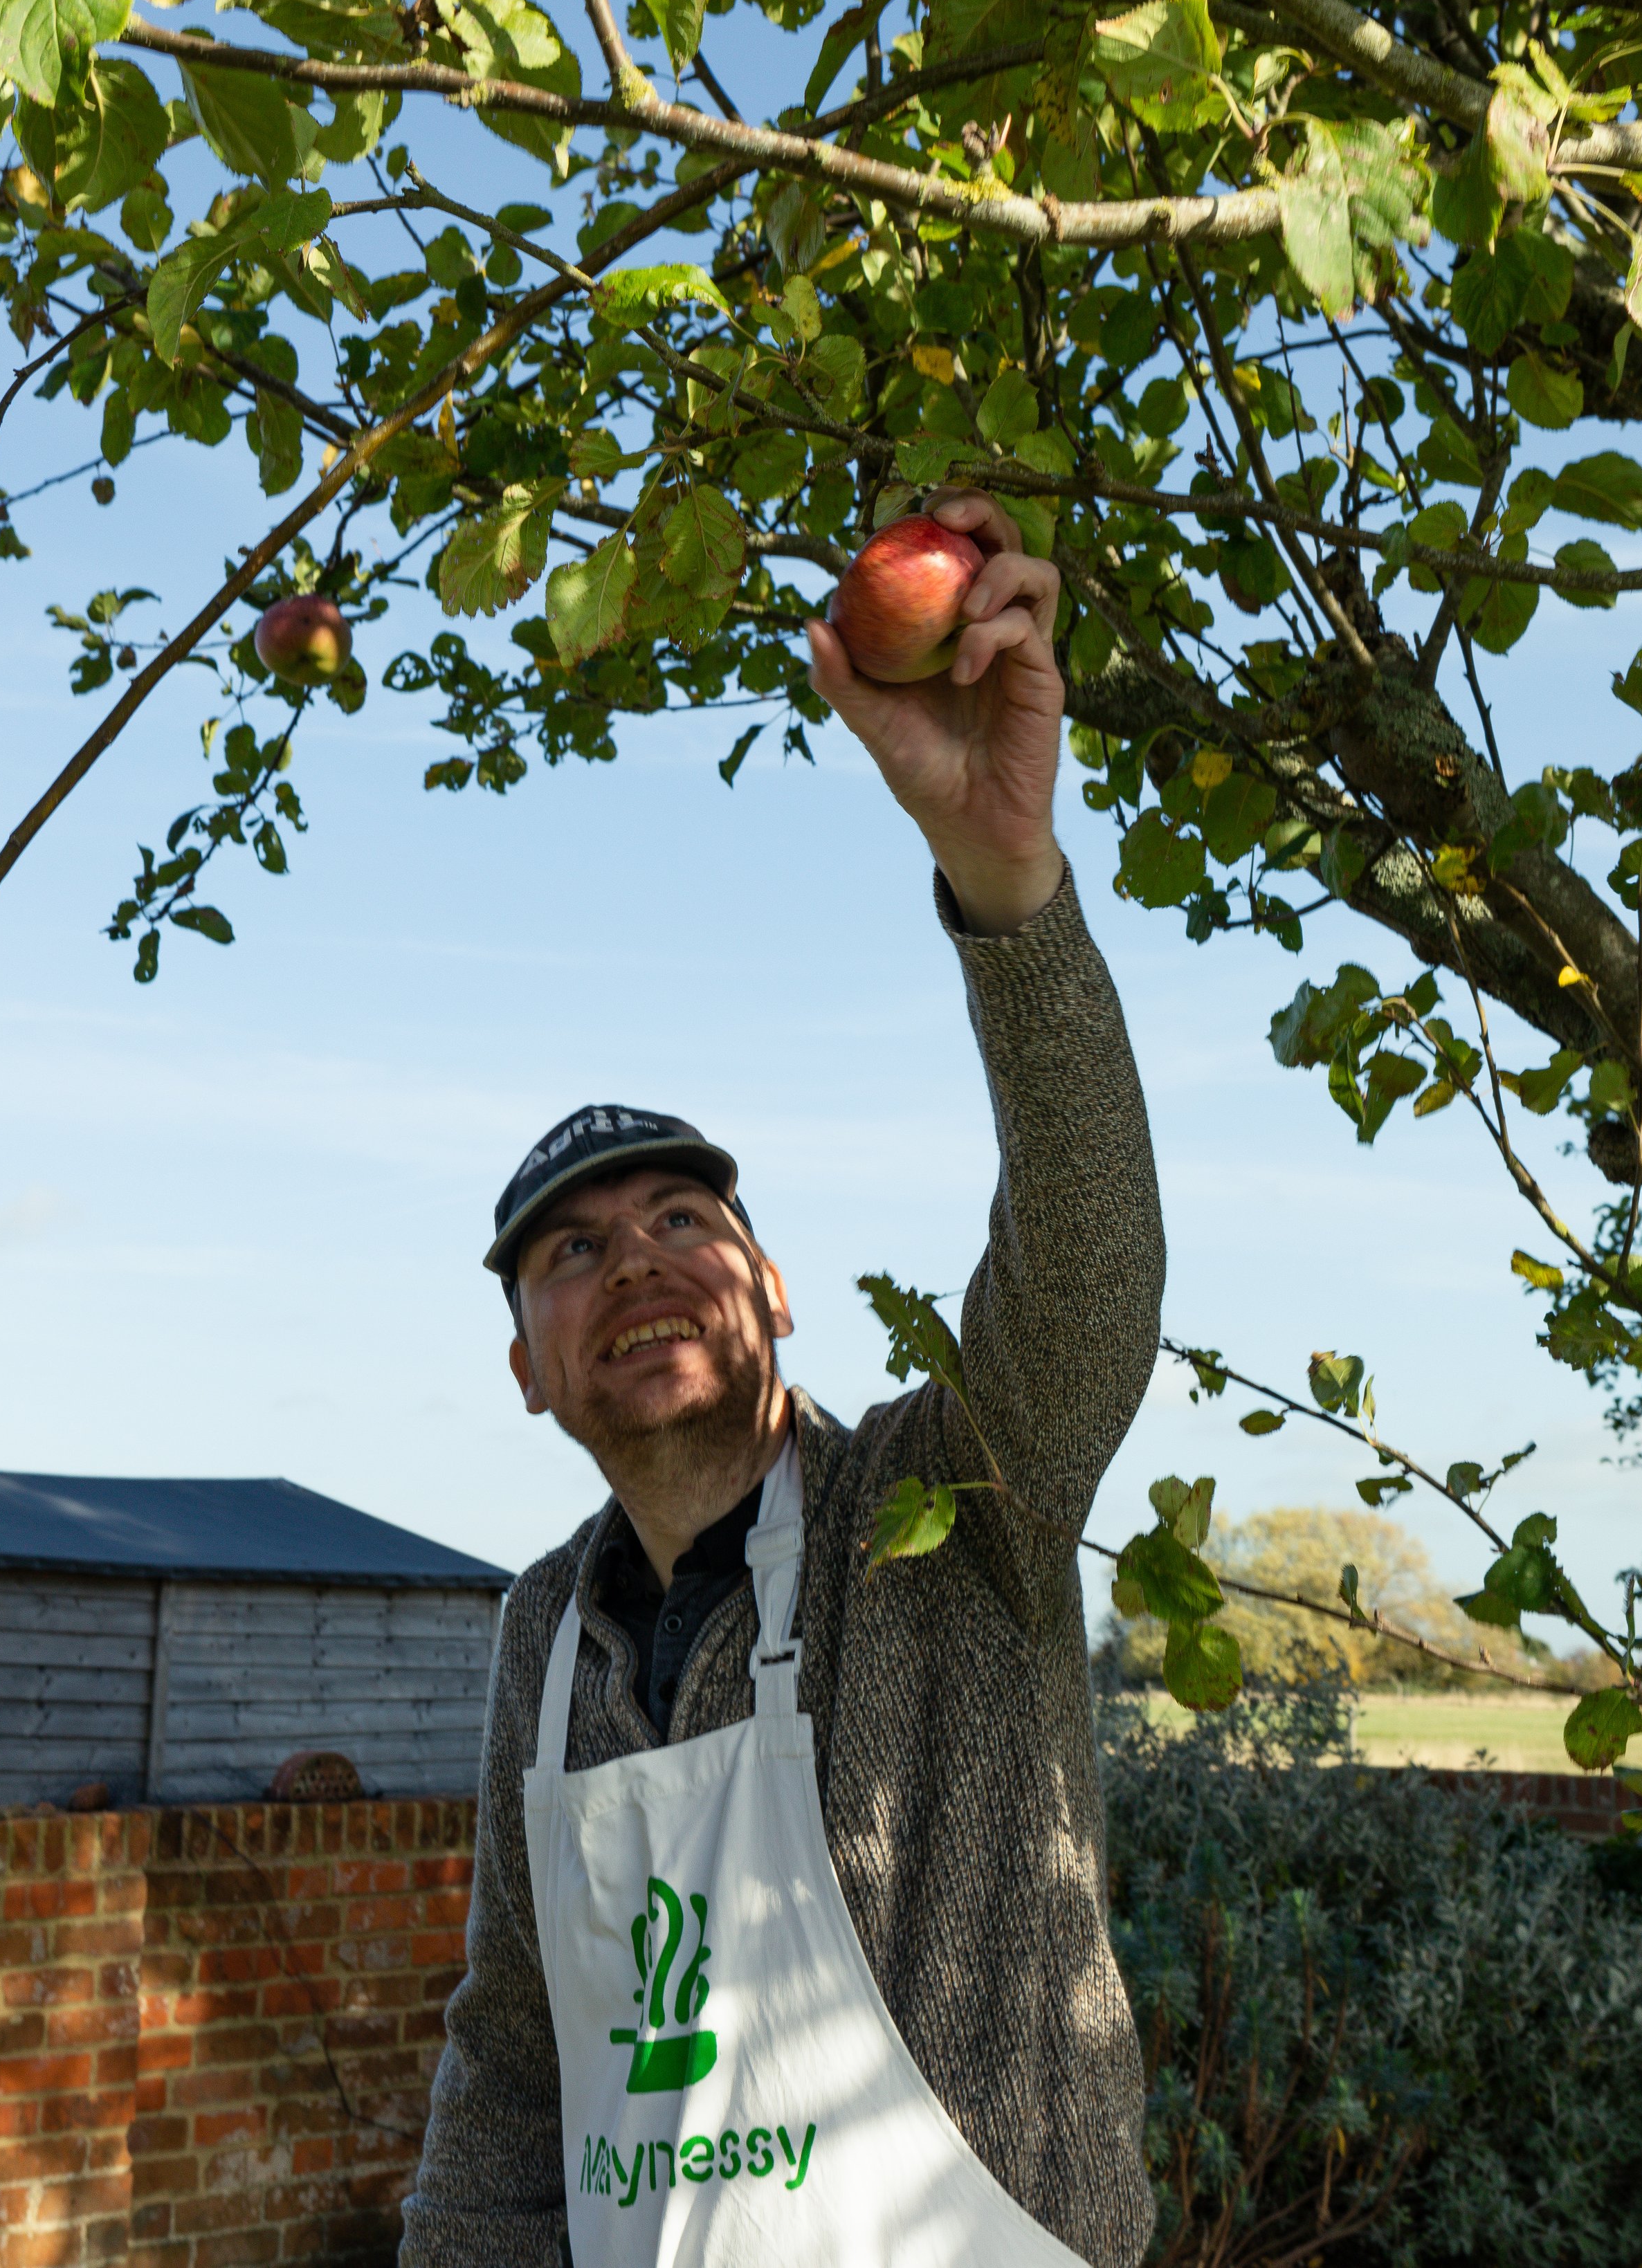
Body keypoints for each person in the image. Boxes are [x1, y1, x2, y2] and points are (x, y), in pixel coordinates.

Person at [400, 488, 1165, 2267]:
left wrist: (1005, 882)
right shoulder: (539, 1634)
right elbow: (516, 2066)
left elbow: (1091, 1261)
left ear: (774, 1293)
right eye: (572, 1252)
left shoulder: (945, 1494)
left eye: (684, 1217)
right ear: (527, 1367)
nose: (641, 1261)